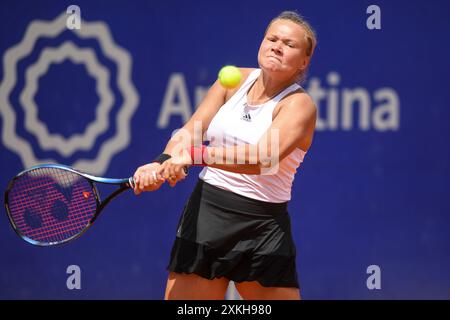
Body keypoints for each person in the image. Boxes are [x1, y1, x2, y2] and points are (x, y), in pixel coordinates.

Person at [133, 10, 317, 300]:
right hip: (207, 216)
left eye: (289, 44)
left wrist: (193, 156)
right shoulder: (232, 81)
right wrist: (162, 162)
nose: (277, 46)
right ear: (261, 42)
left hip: (263, 227)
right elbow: (190, 132)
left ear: (303, 62)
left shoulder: (299, 105)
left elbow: (263, 159)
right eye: (272, 38)